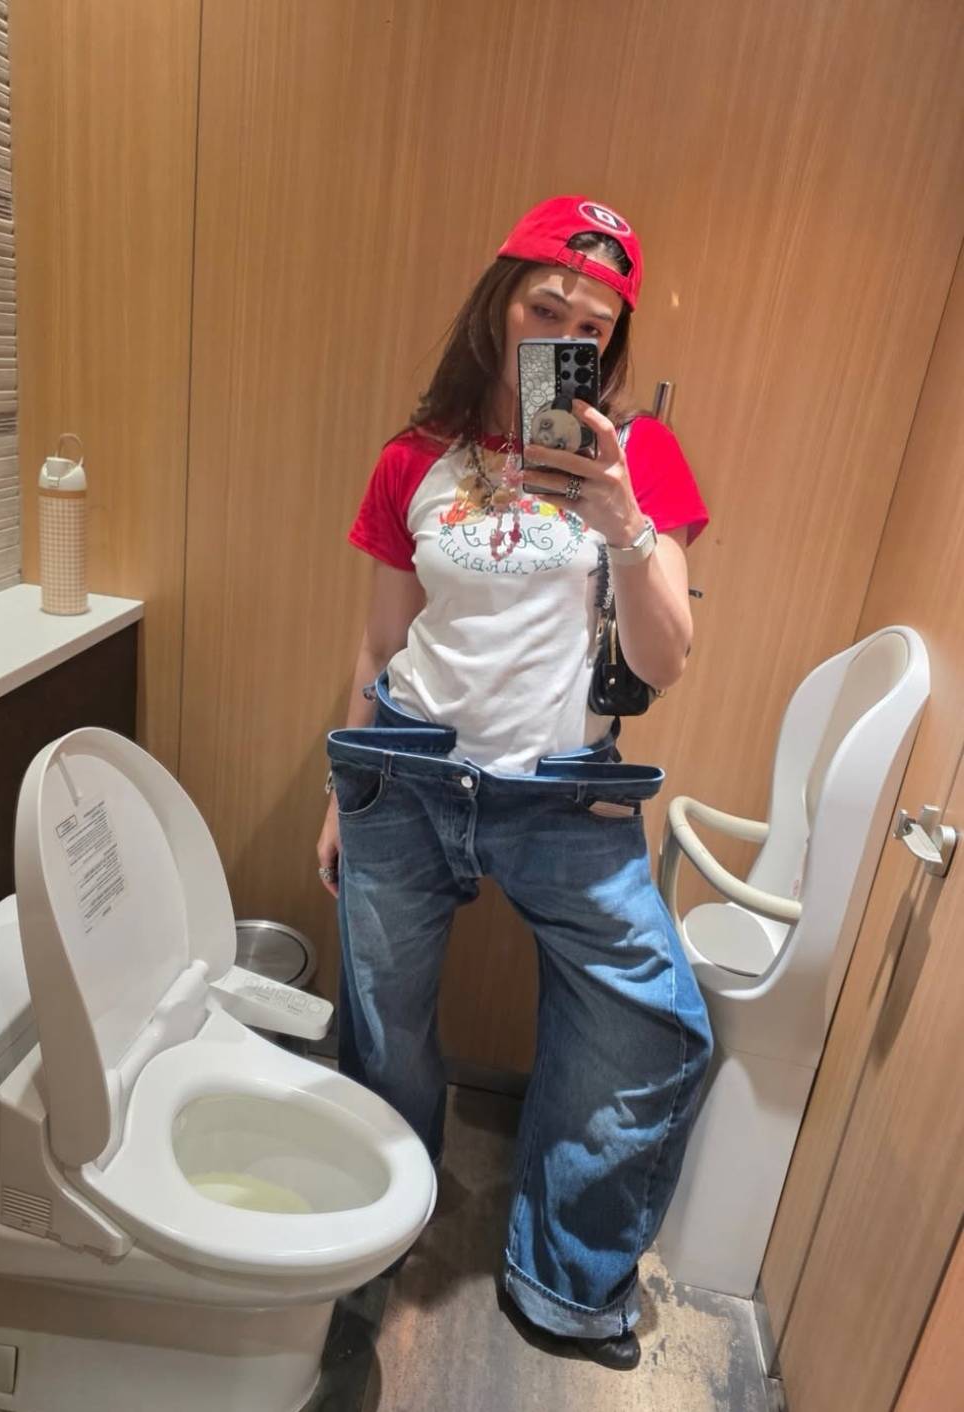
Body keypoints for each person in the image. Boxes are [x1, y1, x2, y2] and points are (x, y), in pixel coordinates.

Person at [316, 195, 713, 1372]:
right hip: (408, 772)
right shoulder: (414, 458)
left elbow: (665, 659)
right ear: (500, 303)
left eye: (593, 323)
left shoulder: (638, 458)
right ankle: (372, 1240)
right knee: (386, 1028)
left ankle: (565, 1282)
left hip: (565, 795)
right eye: (547, 305)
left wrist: (623, 519)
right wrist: (341, 785)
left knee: (649, 1024)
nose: (567, 333)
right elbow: (380, 642)